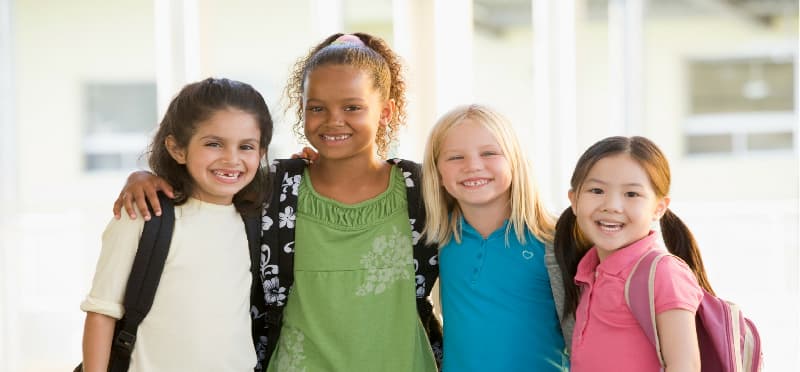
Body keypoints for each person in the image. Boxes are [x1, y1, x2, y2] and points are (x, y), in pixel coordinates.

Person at [110, 33, 440, 372]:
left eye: (352, 107)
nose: (333, 120)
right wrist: (146, 177)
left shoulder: (423, 191)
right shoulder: (273, 188)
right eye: (316, 108)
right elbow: (203, 182)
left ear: (386, 112)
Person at [81, 77, 273, 371]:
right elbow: (101, 313)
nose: (232, 159)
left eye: (246, 146)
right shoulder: (143, 215)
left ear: (261, 153)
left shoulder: (259, 218)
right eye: (213, 143)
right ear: (177, 148)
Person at [421, 104, 570, 371]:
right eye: (455, 158)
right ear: (438, 173)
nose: (473, 166)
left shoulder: (555, 240)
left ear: (515, 162)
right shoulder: (439, 240)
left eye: (489, 153)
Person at [554, 136, 715, 372]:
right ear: (574, 200)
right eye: (597, 190)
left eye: (631, 194)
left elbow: (685, 365)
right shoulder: (587, 272)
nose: (612, 205)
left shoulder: (663, 272)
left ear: (659, 208)